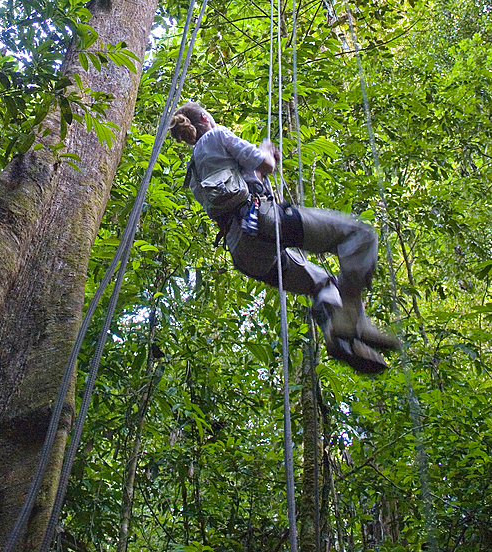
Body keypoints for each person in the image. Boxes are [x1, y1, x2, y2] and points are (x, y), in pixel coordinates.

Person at [168, 101, 399, 375]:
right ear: (206, 117)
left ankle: (341, 339)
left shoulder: (193, 172)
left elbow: (248, 179)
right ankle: (352, 320)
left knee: (323, 283)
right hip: (262, 221)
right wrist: (266, 150)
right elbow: (264, 164)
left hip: (244, 251)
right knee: (359, 234)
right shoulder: (217, 135)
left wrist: (262, 168)